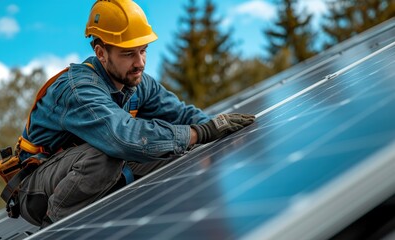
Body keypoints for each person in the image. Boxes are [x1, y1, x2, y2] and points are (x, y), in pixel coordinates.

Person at [16, 0, 256, 229]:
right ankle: (54, 229)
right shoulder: (78, 90)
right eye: (129, 53)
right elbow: (124, 138)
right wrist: (199, 133)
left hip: (84, 173)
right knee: (109, 153)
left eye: (143, 50)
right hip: (38, 190)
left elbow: (181, 114)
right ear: (101, 53)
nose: (140, 62)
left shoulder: (136, 82)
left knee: (174, 146)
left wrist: (217, 131)